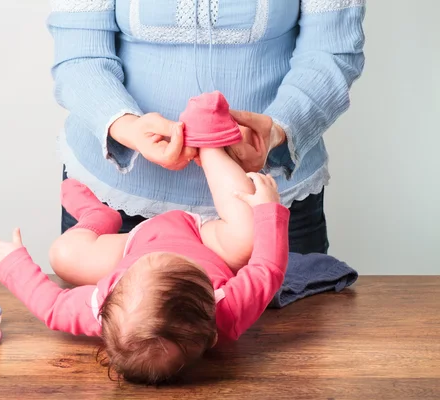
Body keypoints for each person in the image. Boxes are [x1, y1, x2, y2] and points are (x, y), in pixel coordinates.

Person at [49, 0, 366, 254]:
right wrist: (128, 128)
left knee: (291, 332)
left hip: (267, 202)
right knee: (114, 329)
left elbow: (331, 54)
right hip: (117, 204)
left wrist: (278, 130)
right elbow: (79, 56)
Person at [0, 144, 289, 384]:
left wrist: (11, 263)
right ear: (212, 333)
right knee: (248, 234)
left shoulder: (102, 308)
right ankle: (211, 146)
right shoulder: (227, 310)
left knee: (63, 255)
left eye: (144, 268)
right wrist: (268, 210)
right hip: (203, 238)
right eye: (176, 265)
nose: (159, 256)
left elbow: (51, 307)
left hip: (135, 243)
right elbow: (267, 269)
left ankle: (98, 217)